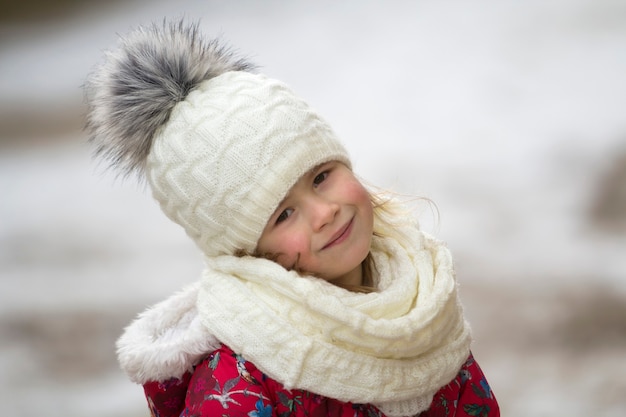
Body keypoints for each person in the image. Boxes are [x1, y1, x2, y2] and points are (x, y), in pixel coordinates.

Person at [85, 19, 499, 417]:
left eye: (321, 176)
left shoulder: (419, 303)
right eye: (283, 214)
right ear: (247, 253)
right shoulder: (238, 382)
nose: (324, 213)